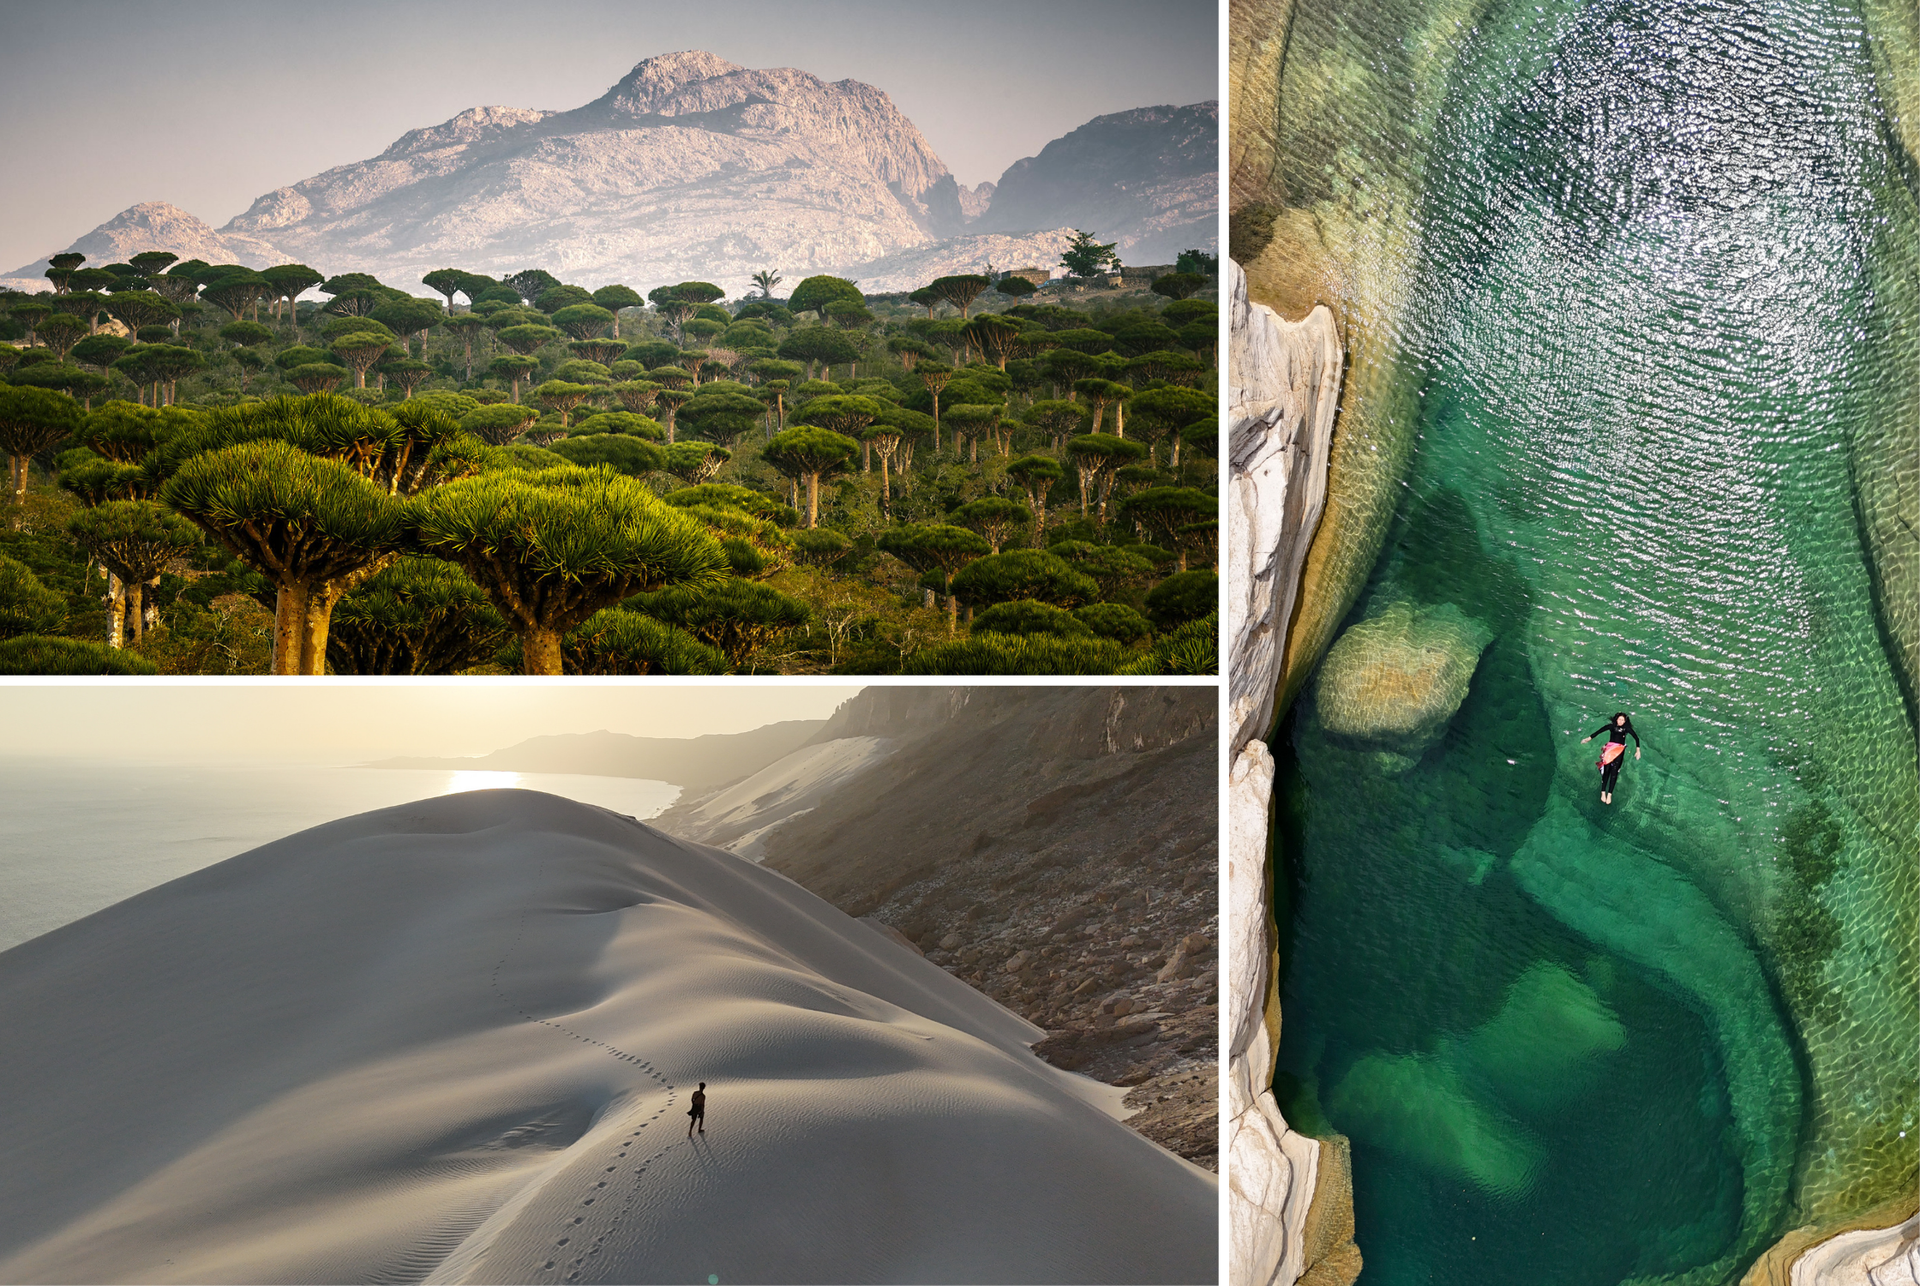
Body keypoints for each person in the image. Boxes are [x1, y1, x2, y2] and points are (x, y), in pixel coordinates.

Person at [1583, 712, 1640, 805]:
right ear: (1616, 719)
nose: (1621, 721)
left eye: (1623, 720)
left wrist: (1638, 751)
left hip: (1619, 751)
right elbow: (1599, 731)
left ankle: (1609, 794)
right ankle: (1603, 792)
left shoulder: (1627, 729)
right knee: (1607, 770)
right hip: (1610, 750)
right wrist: (1588, 738)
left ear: (1625, 721)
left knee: (1614, 772)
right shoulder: (1611, 727)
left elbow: (1636, 738)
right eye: (1619, 719)